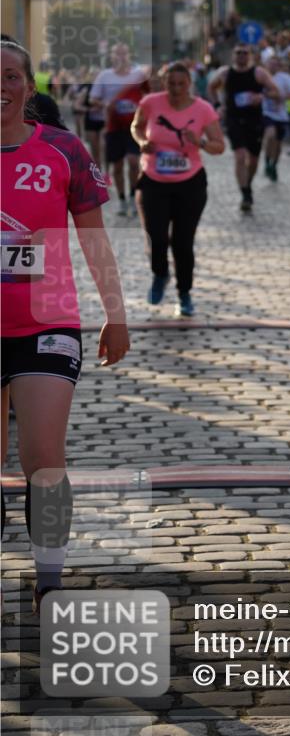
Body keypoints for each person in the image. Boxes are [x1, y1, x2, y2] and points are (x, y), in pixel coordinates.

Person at [1, 39, 130, 610]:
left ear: (29, 87)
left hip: (45, 324)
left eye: (10, 76)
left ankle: (49, 580)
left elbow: (94, 239)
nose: (0, 85)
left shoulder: (62, 149)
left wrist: (116, 314)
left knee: (43, 457)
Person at [130, 62, 225, 317]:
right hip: (153, 181)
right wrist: (143, 142)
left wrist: (201, 142)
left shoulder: (203, 109)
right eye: (170, 83)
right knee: (156, 237)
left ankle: (184, 294)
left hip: (190, 183)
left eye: (181, 84)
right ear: (163, 83)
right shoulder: (150, 102)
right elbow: (136, 127)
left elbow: (220, 146)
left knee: (183, 243)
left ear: (189, 84)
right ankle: (160, 274)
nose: (175, 89)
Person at [208, 44, 279, 212]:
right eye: (238, 52)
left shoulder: (259, 73)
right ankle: (245, 192)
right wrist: (218, 105)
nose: (241, 55)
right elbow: (211, 88)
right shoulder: (225, 73)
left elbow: (276, 92)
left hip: (254, 120)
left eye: (244, 53)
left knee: (253, 160)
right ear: (233, 55)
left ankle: (248, 184)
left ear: (250, 55)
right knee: (240, 155)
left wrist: (261, 96)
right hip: (233, 119)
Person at [89, 43, 147, 217]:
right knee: (117, 166)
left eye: (124, 53)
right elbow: (93, 99)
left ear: (129, 54)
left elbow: (150, 92)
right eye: (117, 54)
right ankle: (122, 200)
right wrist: (105, 104)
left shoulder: (138, 74)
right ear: (111, 56)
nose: (121, 57)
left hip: (134, 126)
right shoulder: (104, 76)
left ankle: (132, 196)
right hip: (113, 127)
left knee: (133, 162)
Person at [262, 57, 290, 181]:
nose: (273, 67)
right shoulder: (261, 76)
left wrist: (282, 96)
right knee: (270, 135)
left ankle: (274, 165)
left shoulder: (284, 78)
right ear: (266, 65)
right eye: (271, 64)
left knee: (278, 144)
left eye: (275, 65)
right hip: (266, 113)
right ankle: (267, 161)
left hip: (281, 115)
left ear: (278, 66)